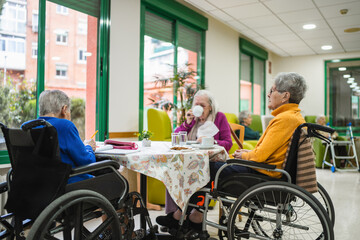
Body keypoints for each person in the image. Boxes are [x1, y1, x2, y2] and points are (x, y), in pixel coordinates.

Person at [164, 72, 307, 238]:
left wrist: (244, 156)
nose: (268, 94)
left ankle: (185, 217)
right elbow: (267, 151)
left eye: (272, 90)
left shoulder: (284, 119)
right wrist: (248, 152)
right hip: (267, 170)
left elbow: (259, 156)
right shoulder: (292, 116)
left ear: (285, 96)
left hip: (264, 173)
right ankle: (188, 216)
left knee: (200, 168)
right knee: (203, 168)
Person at [156, 89, 232, 234]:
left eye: (202, 105)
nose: (199, 108)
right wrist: (187, 123)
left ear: (210, 106)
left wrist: (211, 141)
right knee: (173, 171)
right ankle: (179, 217)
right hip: (189, 161)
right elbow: (177, 138)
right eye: (196, 104)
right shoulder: (193, 120)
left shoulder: (219, 117)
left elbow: (228, 143)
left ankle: (184, 216)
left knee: (198, 173)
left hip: (211, 162)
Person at [23, 90, 96, 184]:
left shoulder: (27, 127)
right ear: (64, 109)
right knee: (116, 175)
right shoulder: (65, 126)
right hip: (68, 184)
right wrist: (88, 147)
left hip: (38, 185)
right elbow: (87, 161)